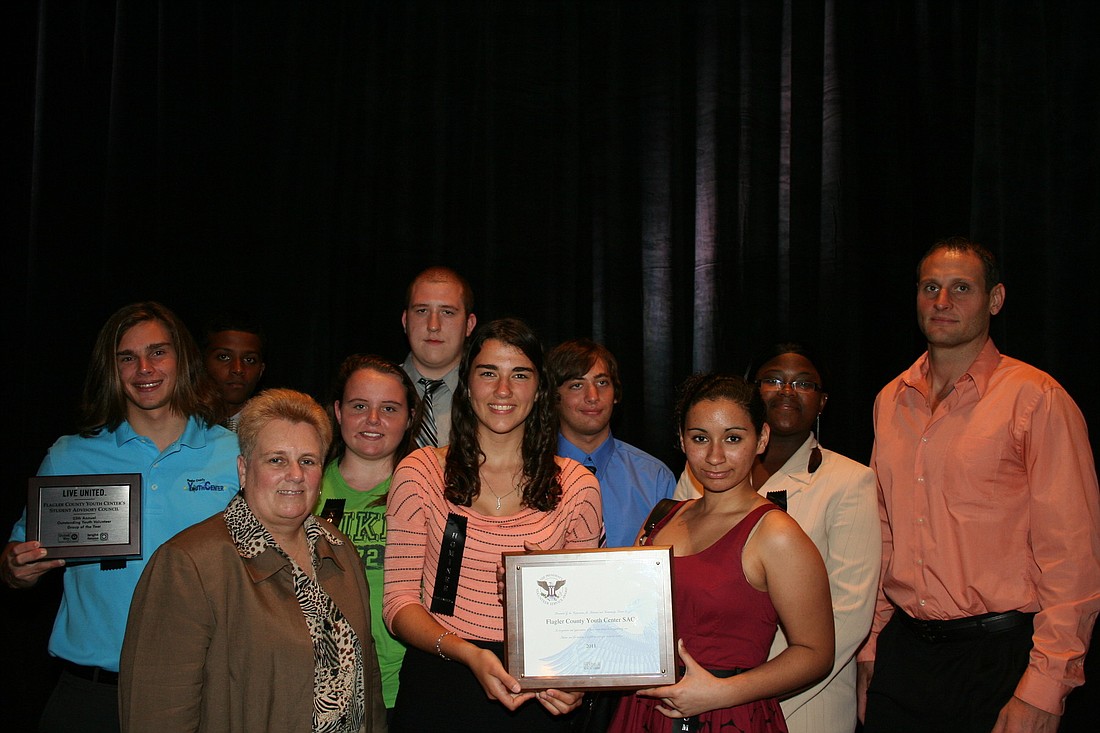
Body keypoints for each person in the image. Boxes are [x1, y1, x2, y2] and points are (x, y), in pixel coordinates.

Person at [856, 237, 1100, 733]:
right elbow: (882, 537)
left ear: (995, 299)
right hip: (904, 658)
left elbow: (1071, 558)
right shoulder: (890, 400)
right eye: (930, 287)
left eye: (961, 288)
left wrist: (1046, 686)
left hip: (1000, 660)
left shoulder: (1037, 398)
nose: (942, 301)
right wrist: (871, 648)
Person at [1, 301, 239, 733]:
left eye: (158, 352)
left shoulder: (234, 454)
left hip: (200, 693)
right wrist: (17, 569)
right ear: (111, 369)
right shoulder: (69, 456)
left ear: (183, 358)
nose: (144, 369)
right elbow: (17, 557)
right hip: (92, 696)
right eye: (127, 357)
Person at [119, 388, 386, 732]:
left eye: (308, 461)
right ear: (243, 470)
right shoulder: (188, 565)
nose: (295, 474)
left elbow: (368, 683)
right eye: (276, 460)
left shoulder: (340, 550)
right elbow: (158, 713)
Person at [383, 318, 602, 731]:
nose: (503, 390)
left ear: (540, 389)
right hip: (441, 678)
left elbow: (584, 618)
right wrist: (468, 653)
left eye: (520, 375)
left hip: (537, 691)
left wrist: (577, 683)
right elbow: (398, 603)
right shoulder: (420, 472)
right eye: (488, 373)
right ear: (467, 385)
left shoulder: (577, 485)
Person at [609, 373, 834, 733]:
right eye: (700, 438)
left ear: (761, 438)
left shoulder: (776, 534)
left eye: (733, 438)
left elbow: (815, 653)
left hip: (728, 715)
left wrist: (720, 693)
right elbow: (621, 618)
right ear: (682, 440)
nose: (715, 456)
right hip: (644, 711)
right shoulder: (661, 518)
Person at [743, 343, 879, 733]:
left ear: (822, 402)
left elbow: (849, 614)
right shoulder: (709, 470)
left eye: (804, 383)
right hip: (711, 690)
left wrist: (751, 691)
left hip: (805, 702)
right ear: (752, 391)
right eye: (773, 380)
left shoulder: (850, 481)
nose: (787, 391)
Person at [316, 354, 423, 713]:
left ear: (410, 418)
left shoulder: (431, 491)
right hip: (322, 686)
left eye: (389, 409)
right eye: (359, 406)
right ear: (338, 411)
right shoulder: (305, 487)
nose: (373, 420)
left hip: (406, 686)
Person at [545, 337, 675, 548]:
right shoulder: (531, 475)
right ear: (553, 397)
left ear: (616, 393)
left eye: (602, 383)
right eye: (577, 385)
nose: (593, 396)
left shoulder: (656, 479)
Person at [400, 266, 477, 448]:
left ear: (469, 324)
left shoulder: (490, 399)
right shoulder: (374, 397)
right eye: (422, 311)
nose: (433, 325)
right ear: (405, 321)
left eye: (447, 312)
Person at [202, 316, 266, 430]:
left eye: (249, 360)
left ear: (261, 370)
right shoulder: (179, 423)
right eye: (224, 357)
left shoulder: (272, 427)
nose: (238, 369)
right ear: (202, 363)